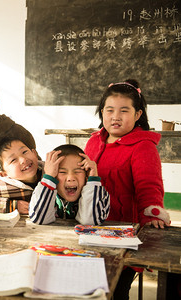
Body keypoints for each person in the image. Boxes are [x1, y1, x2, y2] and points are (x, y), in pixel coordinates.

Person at [84, 80, 171, 300]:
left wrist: (151, 214)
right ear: (101, 111)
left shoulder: (143, 146)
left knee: (116, 289)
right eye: (110, 110)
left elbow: (149, 186)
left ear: (138, 113)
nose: (115, 116)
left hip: (123, 232)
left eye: (124, 110)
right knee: (90, 287)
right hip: (91, 226)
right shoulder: (94, 141)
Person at [29, 144, 110, 225]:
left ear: (86, 175)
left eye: (77, 171)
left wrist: (93, 180)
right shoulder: (42, 193)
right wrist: (48, 177)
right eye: (62, 172)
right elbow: (39, 219)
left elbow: (91, 222)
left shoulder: (98, 195)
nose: (71, 178)